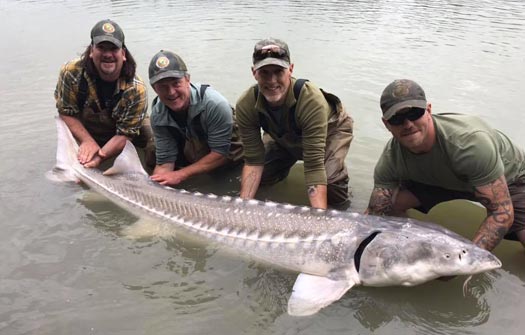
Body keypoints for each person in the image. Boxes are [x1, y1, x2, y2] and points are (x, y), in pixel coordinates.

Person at [366, 79, 525, 250]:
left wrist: (466, 259)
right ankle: (409, 248)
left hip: (510, 179)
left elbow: (502, 213)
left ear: (428, 110)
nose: (408, 124)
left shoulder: (470, 144)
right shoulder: (391, 158)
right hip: (440, 180)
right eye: (397, 118)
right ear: (386, 123)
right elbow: (375, 215)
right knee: (390, 206)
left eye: (414, 114)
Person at [235, 38, 354, 210]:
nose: (272, 80)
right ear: (254, 72)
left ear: (290, 69)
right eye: (264, 73)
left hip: (330, 129)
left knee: (331, 182)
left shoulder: (311, 100)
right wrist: (242, 208)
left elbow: (313, 166)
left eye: (278, 71)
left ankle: (342, 206)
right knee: (258, 179)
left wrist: (319, 217)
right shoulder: (246, 103)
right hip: (283, 133)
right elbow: (253, 161)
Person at [54, 19, 155, 170]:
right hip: (87, 129)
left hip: (126, 130)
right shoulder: (71, 72)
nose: (108, 54)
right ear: (91, 51)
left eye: (113, 49)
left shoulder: (136, 89)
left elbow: (125, 134)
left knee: (156, 145)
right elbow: (65, 112)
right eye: (101, 48)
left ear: (123, 54)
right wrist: (87, 141)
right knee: (75, 164)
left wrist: (100, 157)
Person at [148, 50, 243, 186]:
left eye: (176, 83)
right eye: (163, 87)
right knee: (152, 154)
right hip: (193, 146)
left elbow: (221, 154)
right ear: (154, 88)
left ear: (187, 79)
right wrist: (155, 185)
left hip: (225, 152)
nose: (171, 92)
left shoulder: (215, 104)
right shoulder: (158, 114)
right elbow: (165, 163)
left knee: (223, 175)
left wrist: (180, 175)